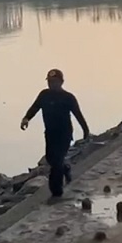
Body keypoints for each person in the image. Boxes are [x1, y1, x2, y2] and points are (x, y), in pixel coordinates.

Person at [21, 69, 90, 199]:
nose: (52, 84)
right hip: (50, 133)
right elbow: (35, 107)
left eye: (55, 82)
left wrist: (85, 130)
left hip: (64, 134)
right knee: (51, 159)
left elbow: (78, 115)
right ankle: (66, 169)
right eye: (50, 82)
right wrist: (26, 118)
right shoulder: (44, 95)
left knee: (57, 161)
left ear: (61, 82)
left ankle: (56, 191)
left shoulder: (68, 98)